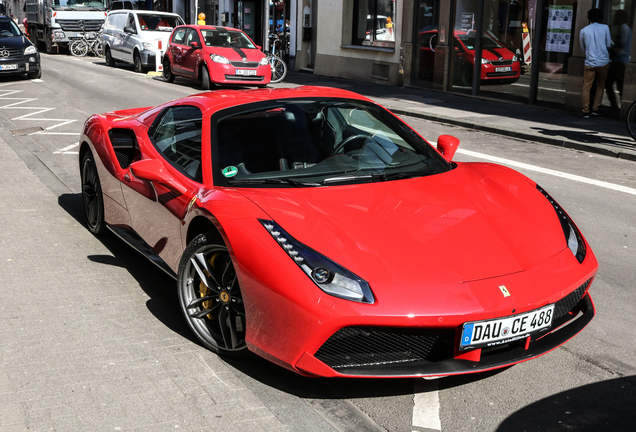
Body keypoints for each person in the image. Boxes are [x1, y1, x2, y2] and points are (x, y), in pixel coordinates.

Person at [579, 8, 612, 118]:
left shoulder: (583, 30)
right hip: (603, 61)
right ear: (601, 17)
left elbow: (583, 47)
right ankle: (595, 108)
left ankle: (585, 111)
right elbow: (608, 44)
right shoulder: (605, 28)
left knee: (586, 87)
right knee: (600, 85)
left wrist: (589, 54)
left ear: (589, 18)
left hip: (589, 62)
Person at [605, 10, 631, 110]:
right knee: (620, 85)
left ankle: (614, 106)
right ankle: (624, 107)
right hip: (622, 60)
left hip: (619, 60)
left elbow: (620, 46)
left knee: (608, 83)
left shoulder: (623, 28)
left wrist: (609, 48)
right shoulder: (625, 28)